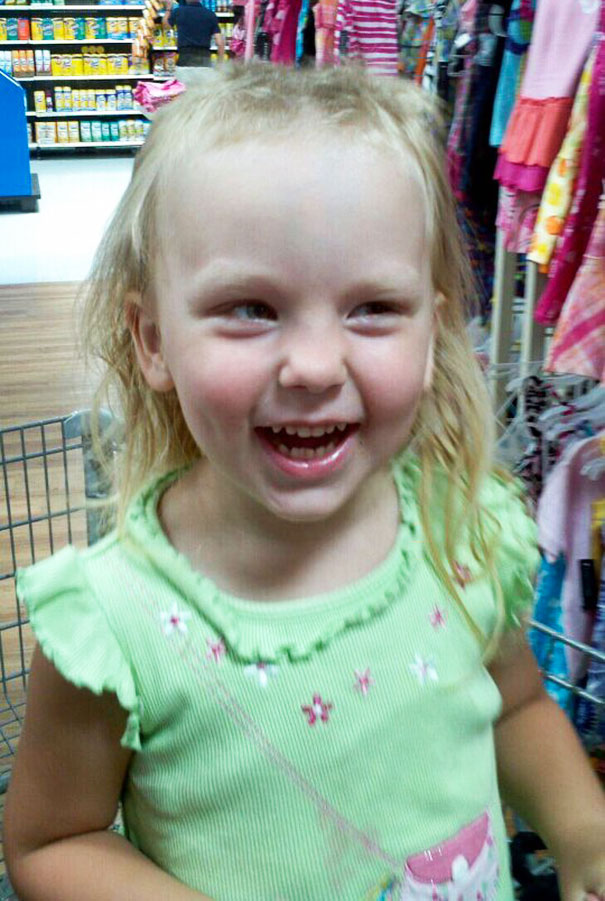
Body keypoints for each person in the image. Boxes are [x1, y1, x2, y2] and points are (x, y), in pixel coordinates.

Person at [4, 65, 605, 901]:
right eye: (250, 308)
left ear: (431, 335)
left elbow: (513, 705)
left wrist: (583, 833)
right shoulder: (114, 622)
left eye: (372, 308)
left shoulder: (462, 531)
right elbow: (52, 839)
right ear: (152, 340)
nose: (315, 366)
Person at [163, 0, 225, 82]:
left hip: (184, 62)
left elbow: (166, 26)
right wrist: (220, 64)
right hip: (205, 64)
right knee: (204, 90)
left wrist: (168, 9)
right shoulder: (210, 14)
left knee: (185, 90)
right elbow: (220, 43)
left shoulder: (179, 11)